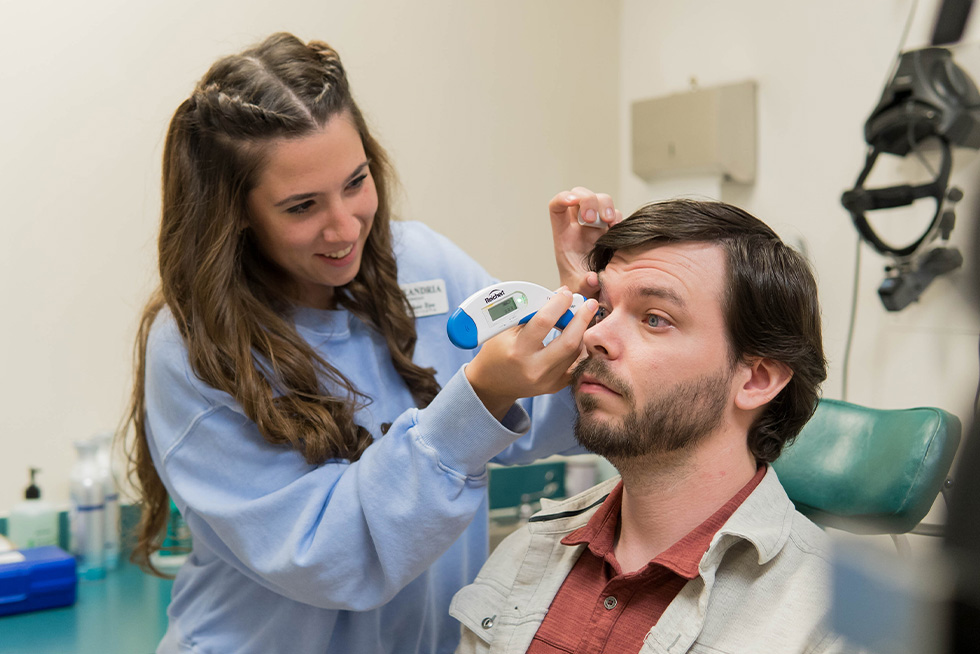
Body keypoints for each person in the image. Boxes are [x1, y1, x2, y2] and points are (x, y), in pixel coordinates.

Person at [123, 32, 619, 654]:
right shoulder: (196, 345)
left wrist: (590, 306)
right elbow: (335, 557)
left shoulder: (420, 263)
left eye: (356, 182)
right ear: (236, 213)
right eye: (302, 206)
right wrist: (479, 399)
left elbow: (546, 415)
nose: (345, 226)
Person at [451, 199, 843, 653]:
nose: (594, 335)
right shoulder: (525, 554)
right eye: (601, 309)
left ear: (756, 378)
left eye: (655, 318)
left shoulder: (828, 623)